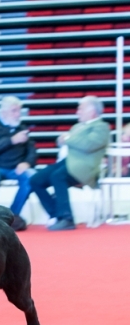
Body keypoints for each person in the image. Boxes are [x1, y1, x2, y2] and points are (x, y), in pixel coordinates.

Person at [30, 96, 110, 231]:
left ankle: (67, 219)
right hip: (67, 163)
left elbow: (89, 144)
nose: (77, 111)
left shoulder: (101, 127)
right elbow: (70, 141)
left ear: (92, 111)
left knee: (57, 176)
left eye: (81, 108)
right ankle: (56, 215)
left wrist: (68, 138)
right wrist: (64, 139)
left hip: (85, 167)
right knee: (35, 180)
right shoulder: (77, 126)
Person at [0, 96, 36, 231]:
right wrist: (12, 140)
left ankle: (12, 216)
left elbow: (32, 151)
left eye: (19, 111)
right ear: (4, 112)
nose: (17, 115)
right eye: (14, 111)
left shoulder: (21, 127)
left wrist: (27, 163)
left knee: (32, 176)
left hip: (15, 168)